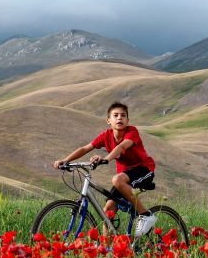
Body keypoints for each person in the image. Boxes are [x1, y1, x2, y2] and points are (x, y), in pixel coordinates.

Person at [52, 101, 158, 237]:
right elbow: (85, 148)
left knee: (117, 180)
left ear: (128, 120)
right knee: (107, 210)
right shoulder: (105, 136)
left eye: (123, 115)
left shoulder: (132, 132)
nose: (120, 118)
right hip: (125, 175)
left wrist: (105, 159)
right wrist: (65, 160)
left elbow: (121, 147)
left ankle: (146, 215)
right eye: (115, 115)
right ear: (108, 120)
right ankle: (106, 250)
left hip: (143, 169)